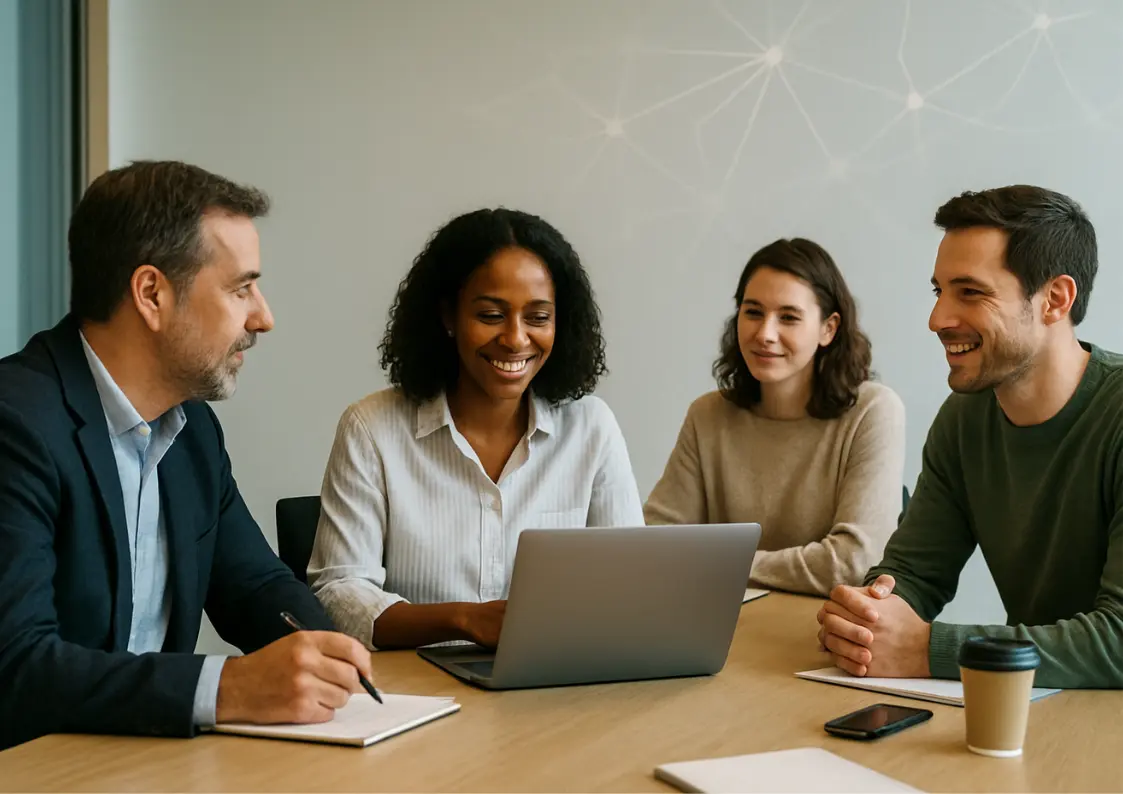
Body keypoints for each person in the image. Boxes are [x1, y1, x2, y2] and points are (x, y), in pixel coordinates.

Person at [0, 161, 374, 751]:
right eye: (241, 288)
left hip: (146, 764)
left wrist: (334, 655)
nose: (264, 317)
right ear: (152, 293)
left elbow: (254, 588)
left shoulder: (192, 428)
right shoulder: (15, 424)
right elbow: (15, 669)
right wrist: (226, 687)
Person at [817, 185, 1123, 689]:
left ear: (1054, 299)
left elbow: (1117, 639)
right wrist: (868, 616)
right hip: (1032, 715)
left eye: (971, 292)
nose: (938, 320)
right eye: (940, 292)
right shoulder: (964, 419)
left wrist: (925, 648)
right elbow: (914, 572)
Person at [308, 208, 644, 650]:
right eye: (490, 315)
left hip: (553, 689)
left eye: (538, 318)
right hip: (419, 692)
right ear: (448, 316)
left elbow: (633, 584)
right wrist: (464, 620)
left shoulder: (592, 427)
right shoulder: (371, 428)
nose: (516, 339)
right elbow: (339, 595)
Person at [644, 238, 906, 596]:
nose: (765, 334)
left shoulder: (873, 411)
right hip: (721, 633)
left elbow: (853, 563)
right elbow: (654, 546)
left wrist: (721, 563)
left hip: (824, 635)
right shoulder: (707, 415)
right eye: (753, 312)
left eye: (788, 317)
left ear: (828, 329)